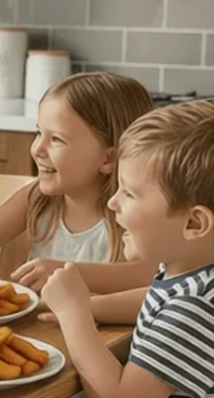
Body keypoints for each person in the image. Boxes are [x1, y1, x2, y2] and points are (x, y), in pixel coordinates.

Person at [0, 72, 157, 293]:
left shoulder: (134, 214)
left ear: (109, 158)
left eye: (56, 139)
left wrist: (71, 274)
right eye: (38, 133)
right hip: (40, 328)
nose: (37, 149)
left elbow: (152, 275)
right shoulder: (37, 198)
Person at [41, 99, 214, 398]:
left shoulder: (194, 308)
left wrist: (74, 314)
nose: (112, 202)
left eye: (130, 193)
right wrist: (92, 306)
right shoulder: (193, 273)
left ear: (194, 224)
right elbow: (156, 302)